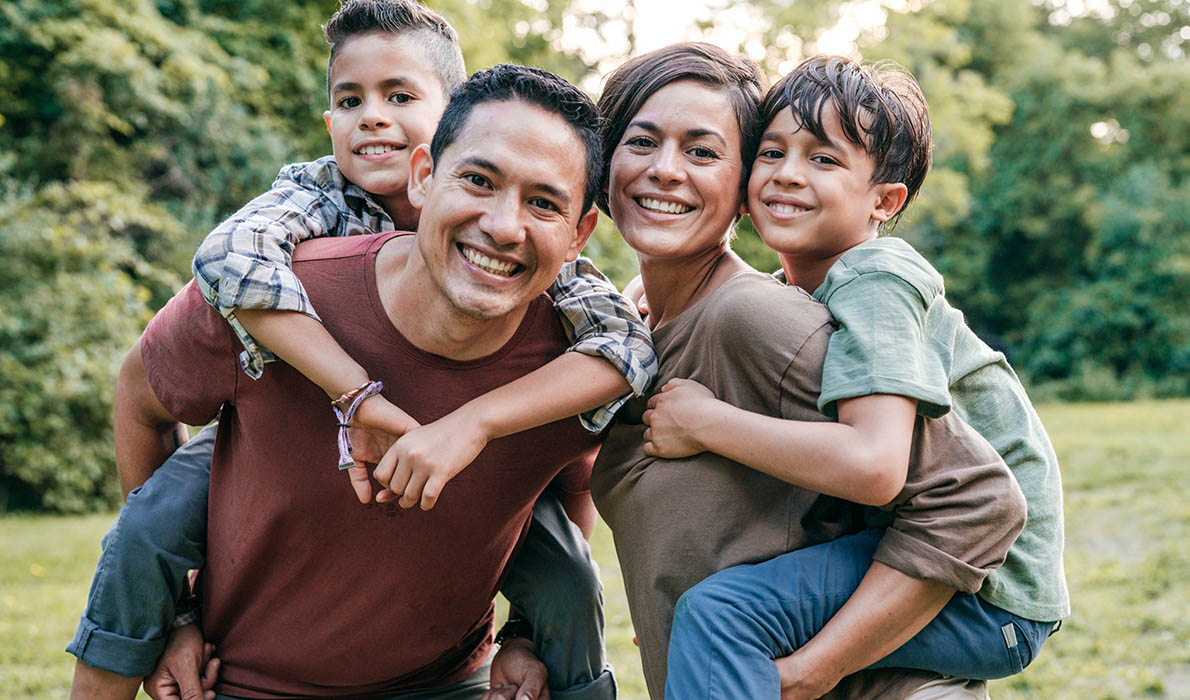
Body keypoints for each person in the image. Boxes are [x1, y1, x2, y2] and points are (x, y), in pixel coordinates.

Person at [67, 2, 650, 698]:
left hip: (446, 656)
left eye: (400, 96)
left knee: (570, 572)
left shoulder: (553, 294)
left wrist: (475, 425)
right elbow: (227, 262)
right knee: (151, 524)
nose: (373, 117)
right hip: (281, 438)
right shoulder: (306, 215)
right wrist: (354, 392)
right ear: (426, 172)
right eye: (352, 100)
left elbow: (625, 357)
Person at [587, 43, 1026, 700]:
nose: (666, 170)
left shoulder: (765, 315)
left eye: (702, 152)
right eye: (641, 141)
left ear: (737, 188)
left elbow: (976, 500)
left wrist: (821, 664)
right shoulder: (638, 329)